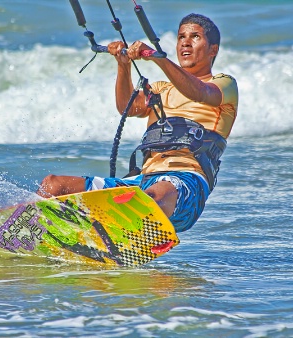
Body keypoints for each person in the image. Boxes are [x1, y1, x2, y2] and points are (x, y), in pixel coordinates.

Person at [37, 13, 238, 233]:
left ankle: (108, 233)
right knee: (53, 184)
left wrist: (158, 58)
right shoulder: (161, 88)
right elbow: (127, 108)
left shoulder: (223, 84)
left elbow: (199, 93)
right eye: (181, 37)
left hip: (185, 185)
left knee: (148, 199)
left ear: (213, 50)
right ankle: (28, 234)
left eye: (195, 36)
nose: (185, 42)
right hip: (142, 182)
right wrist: (123, 65)